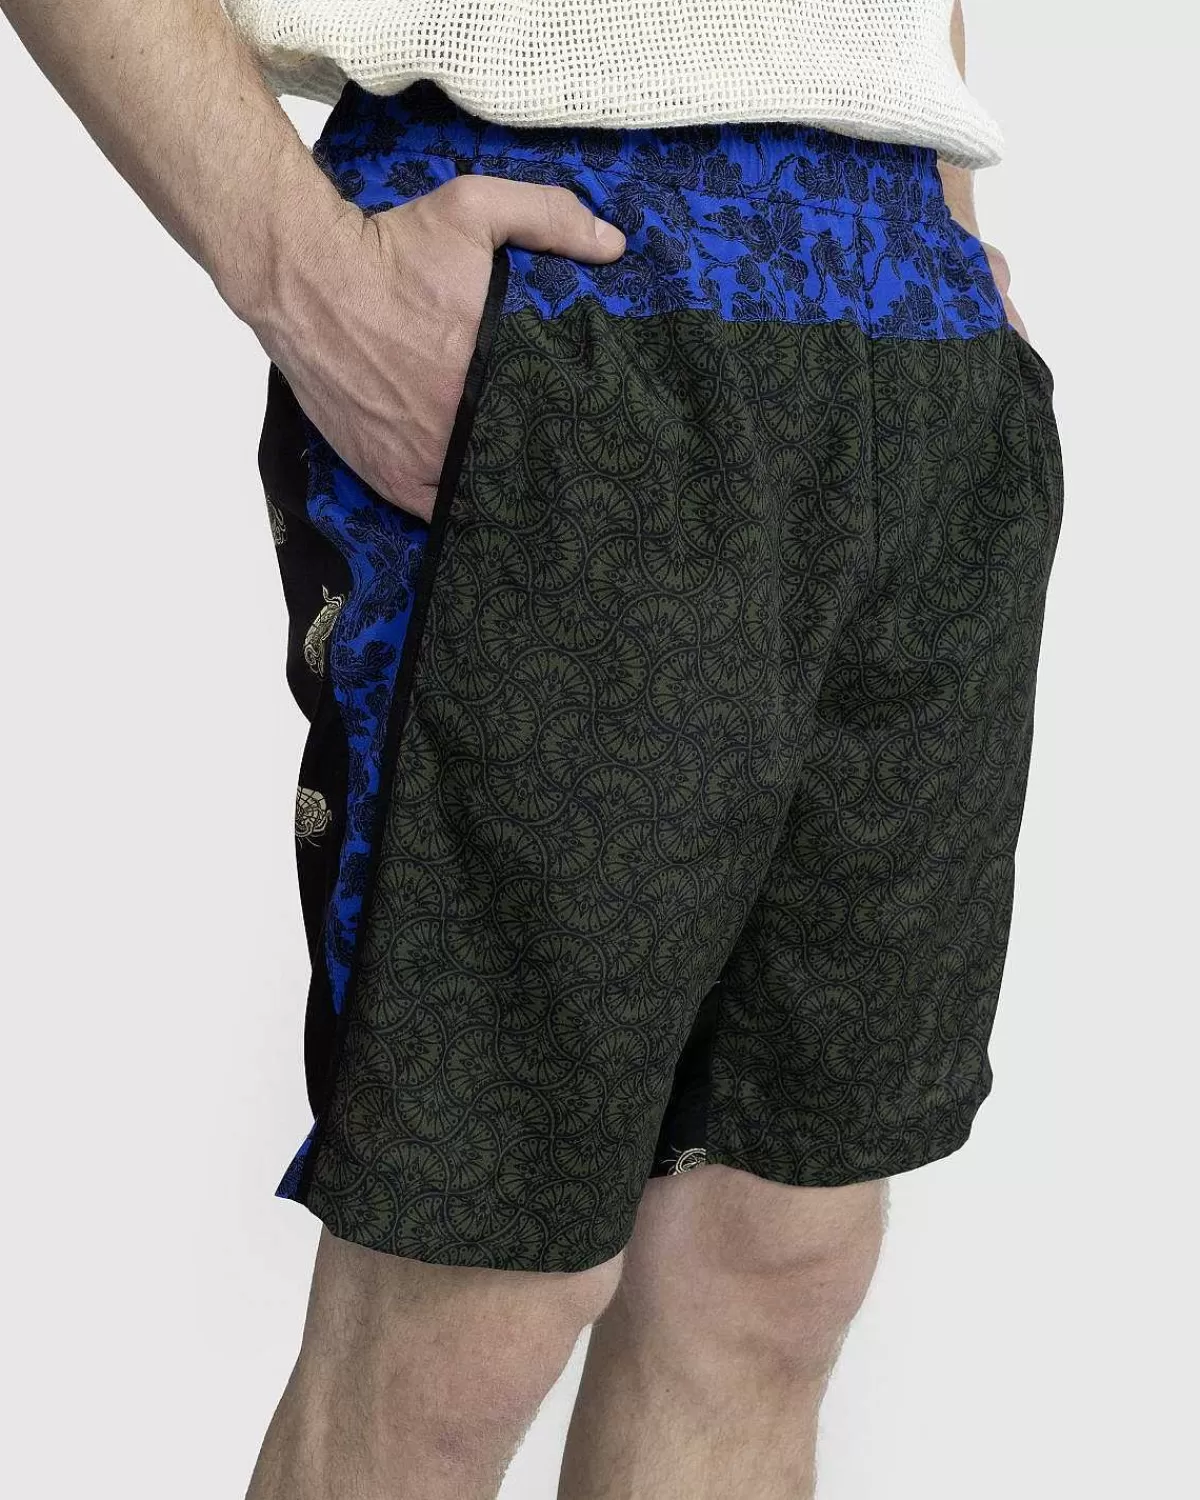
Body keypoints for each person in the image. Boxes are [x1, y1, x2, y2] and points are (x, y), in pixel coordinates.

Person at [0, 2, 1063, 1496]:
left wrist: (947, 214)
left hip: (907, 301)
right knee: (466, 1312)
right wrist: (304, 273)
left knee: (778, 1262)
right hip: (569, 256)